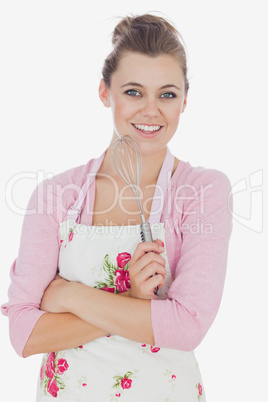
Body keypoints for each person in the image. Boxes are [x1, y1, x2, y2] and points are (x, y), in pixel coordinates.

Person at [1, 13, 233, 401]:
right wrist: (131, 302)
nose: (150, 110)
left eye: (167, 94)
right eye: (133, 91)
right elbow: (24, 334)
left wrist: (69, 296)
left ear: (185, 101)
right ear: (104, 93)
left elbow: (187, 326)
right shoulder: (56, 196)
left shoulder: (202, 190)